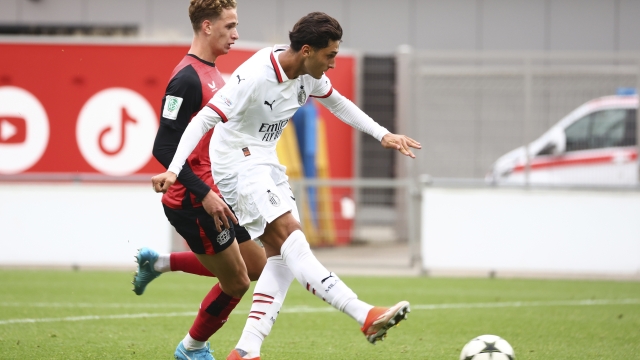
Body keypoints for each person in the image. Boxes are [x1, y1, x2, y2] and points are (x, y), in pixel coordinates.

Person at [151, 12, 421, 360]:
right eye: (330, 55)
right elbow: (204, 119)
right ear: (307, 50)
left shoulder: (309, 73)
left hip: (265, 160)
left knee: (279, 257)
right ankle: (362, 313)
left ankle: (246, 350)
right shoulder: (255, 75)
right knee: (291, 238)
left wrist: (382, 134)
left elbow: (338, 101)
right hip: (236, 164)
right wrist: (174, 170)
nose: (333, 64)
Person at [132, 1, 268, 359]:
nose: (236, 34)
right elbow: (163, 145)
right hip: (193, 201)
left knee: (256, 266)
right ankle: (191, 348)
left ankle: (158, 262)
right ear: (207, 27)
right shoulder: (186, 79)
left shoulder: (213, 73)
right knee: (236, 281)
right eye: (229, 26)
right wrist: (203, 191)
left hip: (217, 192)